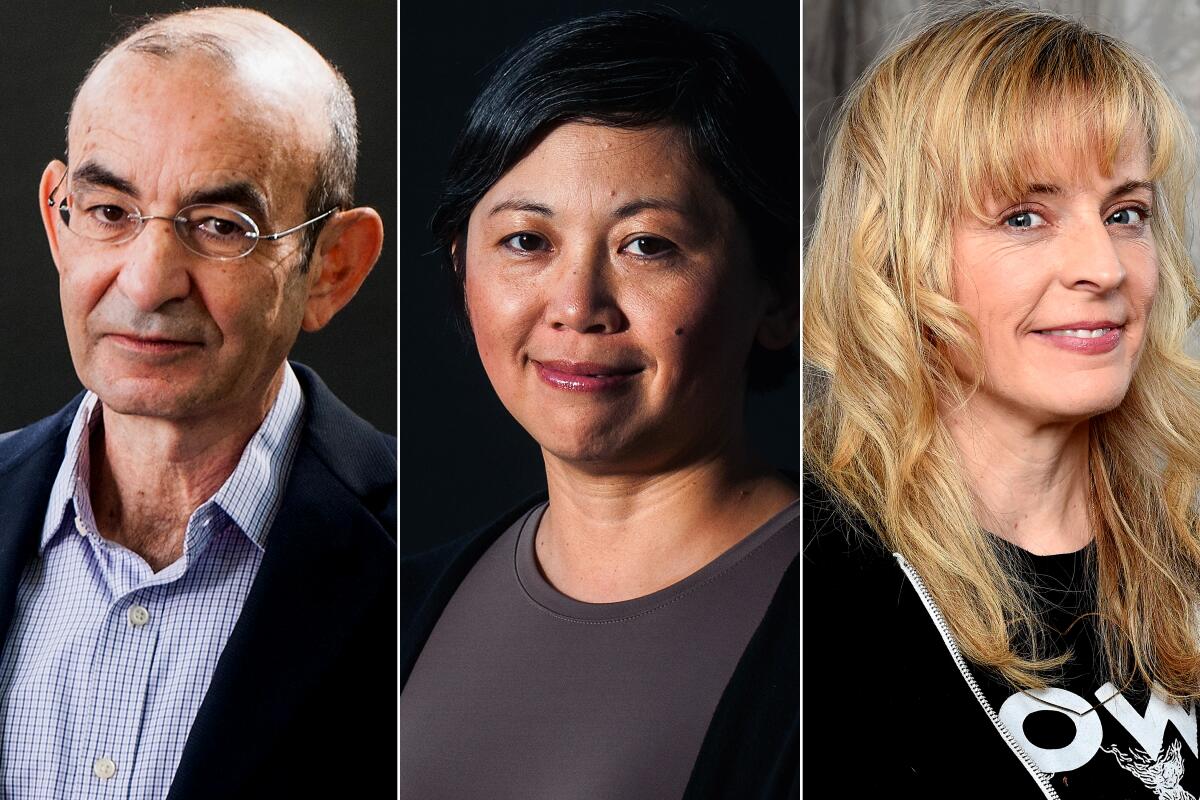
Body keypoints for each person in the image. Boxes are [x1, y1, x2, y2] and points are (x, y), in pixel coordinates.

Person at [400, 10, 799, 799]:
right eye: (526, 242)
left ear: (778, 295)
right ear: (459, 266)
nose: (578, 306)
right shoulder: (396, 602)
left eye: (647, 245)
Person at [805, 4, 1200, 797]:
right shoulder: (808, 589)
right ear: (897, 259)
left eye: (1126, 214)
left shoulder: (1182, 548)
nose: (1105, 267)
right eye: (1025, 216)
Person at [0, 8, 394, 798]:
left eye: (220, 226)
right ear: (57, 218)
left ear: (333, 268)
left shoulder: (420, 558)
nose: (147, 282)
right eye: (109, 212)